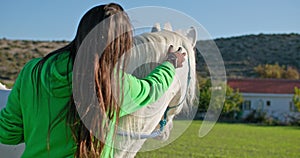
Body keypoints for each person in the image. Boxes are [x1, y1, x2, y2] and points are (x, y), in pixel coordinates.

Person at [0, 3, 186, 158]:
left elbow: (8, 135)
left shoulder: (32, 71)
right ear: (121, 44)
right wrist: (170, 63)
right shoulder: (115, 84)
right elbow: (152, 88)